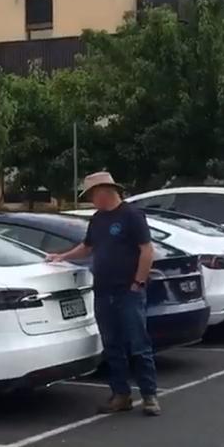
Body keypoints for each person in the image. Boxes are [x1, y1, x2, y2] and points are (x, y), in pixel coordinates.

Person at [48, 172, 160, 416]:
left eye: (91, 195)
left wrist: (138, 282)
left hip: (128, 291)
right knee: (112, 345)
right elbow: (88, 246)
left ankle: (149, 395)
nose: (91, 200)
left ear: (104, 191)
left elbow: (146, 251)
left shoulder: (131, 216)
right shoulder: (98, 219)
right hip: (103, 289)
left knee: (138, 344)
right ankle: (121, 394)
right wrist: (62, 256)